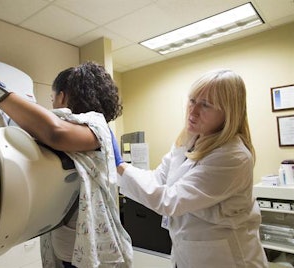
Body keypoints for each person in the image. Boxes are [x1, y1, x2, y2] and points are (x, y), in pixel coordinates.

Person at [0, 61, 133, 268]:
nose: (53, 106)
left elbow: (55, 132)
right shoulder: (85, 134)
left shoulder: (97, 126)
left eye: (52, 99)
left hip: (86, 252)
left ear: (63, 96)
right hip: (69, 245)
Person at [113, 69, 268, 267]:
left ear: (228, 113)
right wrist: (121, 168)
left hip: (226, 258)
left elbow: (170, 201)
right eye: (192, 100)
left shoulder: (233, 156)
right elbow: (158, 178)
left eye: (206, 105)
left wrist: (118, 163)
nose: (193, 111)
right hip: (189, 253)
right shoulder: (189, 140)